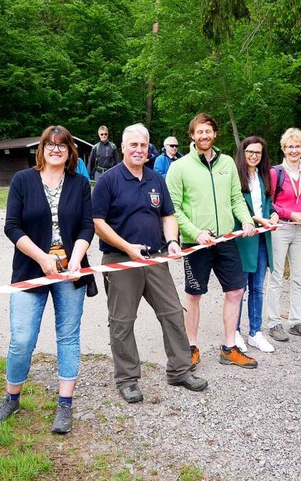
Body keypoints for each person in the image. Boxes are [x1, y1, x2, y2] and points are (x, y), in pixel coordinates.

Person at [92, 123, 207, 403]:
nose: (139, 150)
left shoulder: (156, 179)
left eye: (143, 146)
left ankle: (180, 370)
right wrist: (127, 247)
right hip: (120, 261)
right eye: (133, 145)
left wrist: (171, 241)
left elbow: (168, 215)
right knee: (122, 322)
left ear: (148, 148)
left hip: (156, 258)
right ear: (122, 147)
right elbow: (97, 222)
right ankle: (127, 378)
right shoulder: (108, 180)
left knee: (172, 313)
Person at [0, 125, 94, 434]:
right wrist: (42, 258)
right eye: (50, 144)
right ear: (41, 149)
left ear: (70, 151)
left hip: (70, 270)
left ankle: (65, 405)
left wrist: (75, 259)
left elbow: (87, 226)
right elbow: (12, 226)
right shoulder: (23, 181)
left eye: (62, 145)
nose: (56, 149)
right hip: (30, 269)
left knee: (68, 337)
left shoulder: (79, 184)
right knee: (22, 339)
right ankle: (12, 398)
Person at [166, 113, 258, 369]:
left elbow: (235, 199)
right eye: (199, 132)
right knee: (194, 295)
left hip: (226, 239)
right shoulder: (179, 167)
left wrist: (247, 220)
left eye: (209, 131)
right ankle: (191, 347)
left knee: (236, 290)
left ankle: (229, 347)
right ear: (192, 136)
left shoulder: (227, 162)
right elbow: (172, 209)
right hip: (196, 243)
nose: (204, 136)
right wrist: (195, 233)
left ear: (215, 134)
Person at [266, 127, 301, 342]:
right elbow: (270, 203)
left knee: (299, 276)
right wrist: (290, 214)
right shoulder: (275, 172)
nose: (294, 150)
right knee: (277, 276)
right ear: (283, 148)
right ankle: (274, 322)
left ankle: (297, 321)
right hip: (281, 228)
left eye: (297, 146)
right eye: (290, 146)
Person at [233, 136, 278, 353]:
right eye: (250, 152)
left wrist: (274, 215)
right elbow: (235, 204)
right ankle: (234, 331)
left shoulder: (264, 176)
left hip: (262, 237)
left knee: (257, 287)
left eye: (258, 153)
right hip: (243, 238)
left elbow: (268, 204)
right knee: (238, 288)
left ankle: (255, 332)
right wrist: (257, 219)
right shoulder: (235, 176)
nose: (253, 156)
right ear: (243, 152)